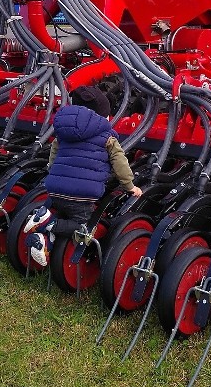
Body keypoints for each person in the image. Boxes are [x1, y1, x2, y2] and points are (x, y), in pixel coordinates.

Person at [23, 86, 143, 266]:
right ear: (101, 115)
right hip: (82, 195)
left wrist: (53, 172)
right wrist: (130, 186)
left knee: (63, 214)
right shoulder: (106, 136)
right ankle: (48, 224)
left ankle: (44, 240)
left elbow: (53, 154)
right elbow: (120, 162)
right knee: (82, 226)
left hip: (55, 188)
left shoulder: (64, 131)